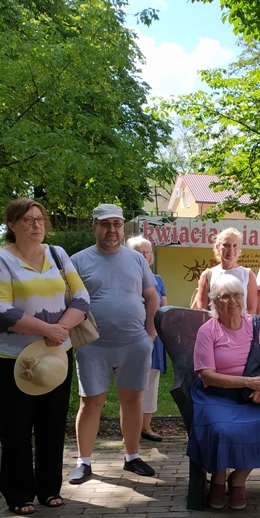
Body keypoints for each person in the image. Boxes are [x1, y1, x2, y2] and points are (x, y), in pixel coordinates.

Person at [0, 198, 88, 515]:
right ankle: (18, 494)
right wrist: (48, 328)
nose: (35, 225)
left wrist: (60, 330)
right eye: (27, 220)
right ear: (12, 225)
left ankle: (49, 489)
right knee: (15, 429)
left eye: (40, 219)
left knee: (52, 425)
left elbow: (82, 297)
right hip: (10, 358)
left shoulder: (58, 255)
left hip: (55, 356)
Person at [188, 275, 260, 510]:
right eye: (225, 296)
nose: (232, 301)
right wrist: (249, 382)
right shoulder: (208, 330)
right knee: (221, 429)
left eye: (237, 295)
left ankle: (238, 480)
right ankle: (218, 478)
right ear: (214, 301)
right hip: (216, 395)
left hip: (252, 394)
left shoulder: (257, 324)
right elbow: (207, 375)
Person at [68, 204, 160, 484]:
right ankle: (83, 462)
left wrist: (150, 331)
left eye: (117, 224)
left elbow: (151, 296)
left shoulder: (136, 259)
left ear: (123, 227)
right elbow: (68, 301)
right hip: (93, 345)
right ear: (94, 226)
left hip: (134, 343)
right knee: (91, 402)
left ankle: (132, 457)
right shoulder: (78, 261)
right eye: (105, 224)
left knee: (132, 400)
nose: (111, 230)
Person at [128, 236, 167, 443]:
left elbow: (163, 310)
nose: (144, 255)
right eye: (139, 251)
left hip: (154, 338)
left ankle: (146, 427)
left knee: (151, 383)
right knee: (131, 385)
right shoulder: (125, 278)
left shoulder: (159, 280)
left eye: (147, 252)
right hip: (131, 337)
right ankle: (130, 430)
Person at [192, 228, 259, 314]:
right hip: (215, 326)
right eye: (226, 245)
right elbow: (202, 311)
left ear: (239, 249)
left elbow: (252, 309)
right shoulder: (208, 275)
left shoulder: (248, 275)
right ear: (218, 247)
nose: (231, 249)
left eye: (235, 245)